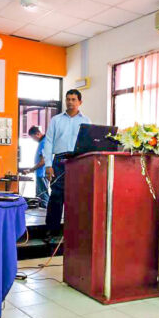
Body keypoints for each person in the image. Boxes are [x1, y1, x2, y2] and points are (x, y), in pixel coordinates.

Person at [43, 89, 91, 239]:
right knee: (56, 196)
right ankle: (52, 230)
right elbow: (49, 142)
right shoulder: (56, 120)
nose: (70, 102)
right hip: (59, 161)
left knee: (77, 197)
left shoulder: (86, 121)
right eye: (68, 99)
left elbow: (89, 144)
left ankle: (74, 232)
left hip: (78, 161)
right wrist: (48, 165)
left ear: (80, 102)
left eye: (73, 99)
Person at [22, 126, 49, 208]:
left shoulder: (44, 143)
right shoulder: (43, 142)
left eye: (33, 138)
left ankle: (45, 215)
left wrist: (30, 170)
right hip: (40, 173)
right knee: (40, 196)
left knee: (43, 196)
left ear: (37, 134)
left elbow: (42, 162)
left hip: (42, 174)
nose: (33, 140)